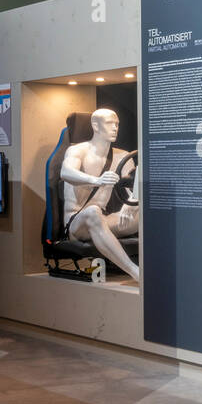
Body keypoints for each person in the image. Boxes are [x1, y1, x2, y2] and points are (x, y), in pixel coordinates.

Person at [62, 108, 139, 281]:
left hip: (104, 219)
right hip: (77, 223)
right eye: (110, 123)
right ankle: (135, 272)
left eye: (117, 124)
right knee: (93, 211)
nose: (115, 128)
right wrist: (96, 180)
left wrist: (132, 202)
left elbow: (132, 189)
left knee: (146, 208)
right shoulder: (77, 151)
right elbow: (66, 172)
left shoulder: (122, 156)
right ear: (95, 125)